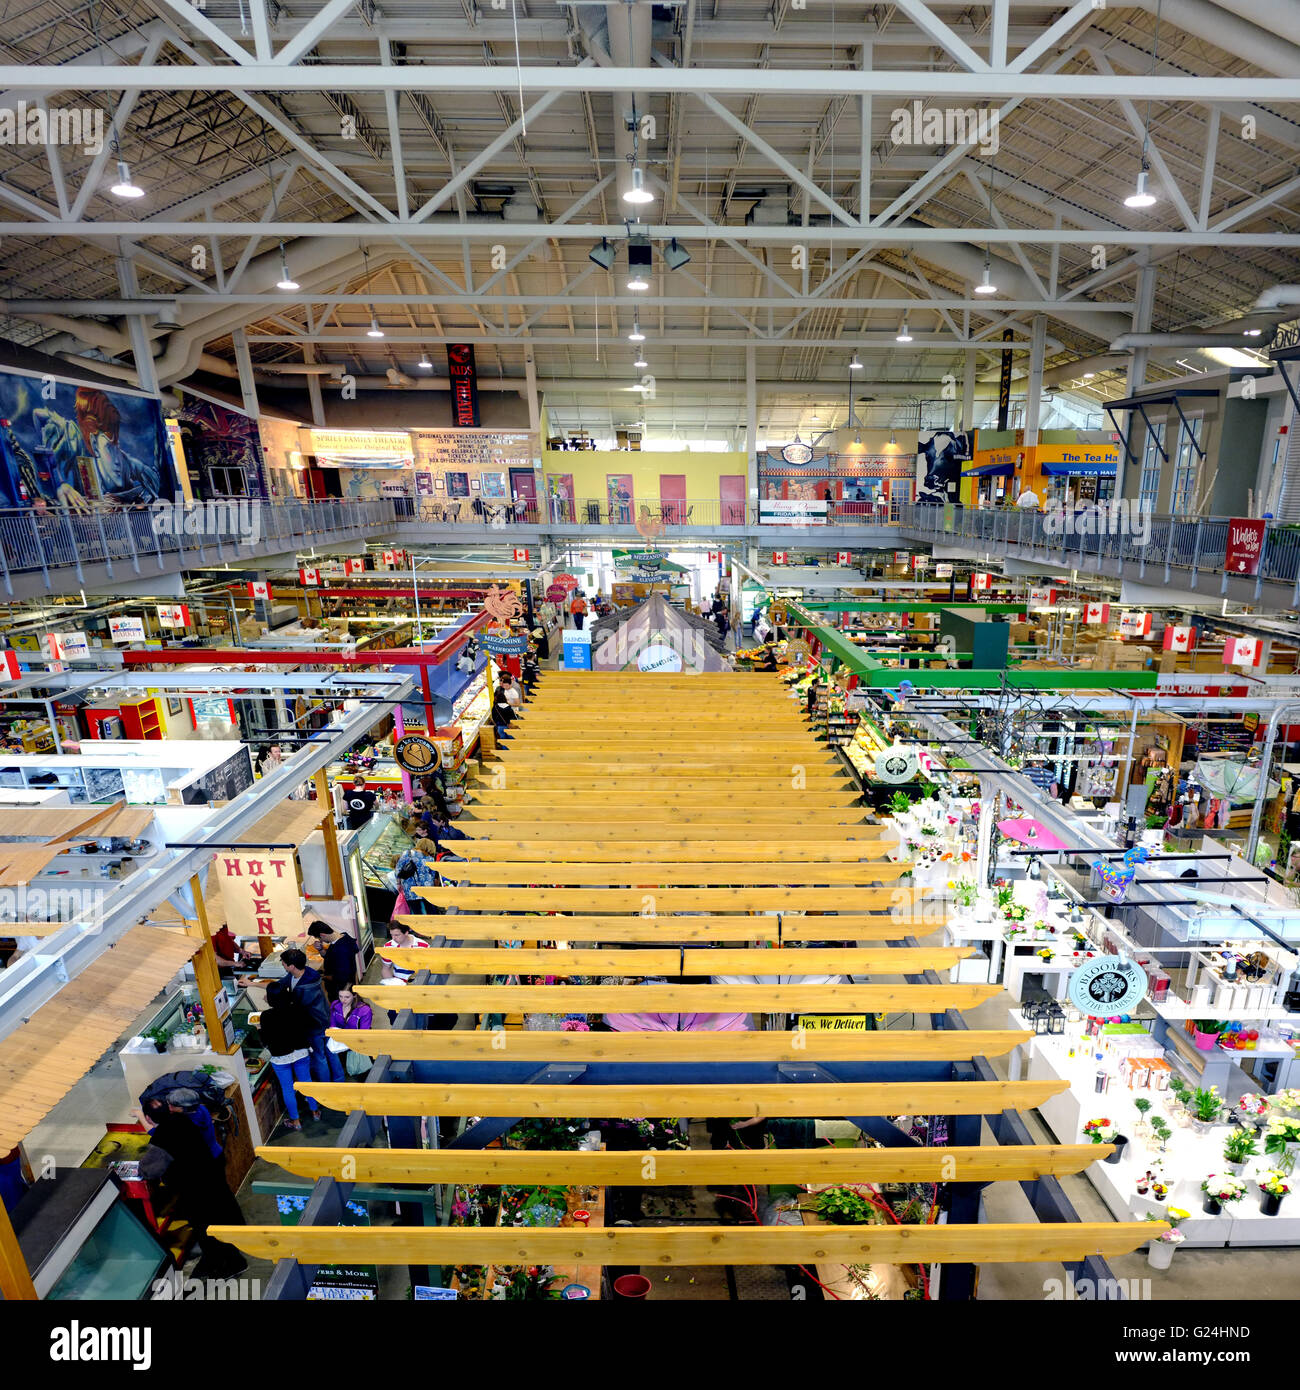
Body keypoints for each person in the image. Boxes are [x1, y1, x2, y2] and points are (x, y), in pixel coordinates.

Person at [137, 1090, 247, 1278]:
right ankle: (222, 1259)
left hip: (196, 1190)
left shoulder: (164, 1135)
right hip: (210, 1177)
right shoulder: (185, 1119)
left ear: (148, 1117)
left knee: (207, 1228)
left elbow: (149, 1170)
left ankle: (230, 1265)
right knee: (219, 1219)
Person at [266, 948, 331, 1091]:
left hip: (314, 1025)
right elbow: (280, 985)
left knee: (320, 1057)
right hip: (322, 1018)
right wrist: (252, 984)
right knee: (327, 1054)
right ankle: (335, 1081)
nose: (282, 964)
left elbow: (295, 1006)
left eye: (283, 963)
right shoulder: (304, 974)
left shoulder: (304, 988)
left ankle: (327, 1088)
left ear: (291, 966)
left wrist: (274, 999)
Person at [257, 998, 319, 1130]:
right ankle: (315, 1112)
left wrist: (259, 1029)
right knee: (306, 1082)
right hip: (300, 1052)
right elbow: (308, 1025)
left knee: (287, 1088)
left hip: (280, 1057)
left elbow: (265, 1039)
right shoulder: (297, 1009)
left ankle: (295, 1121)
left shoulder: (266, 1016)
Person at [326, 985, 373, 1081]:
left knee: (363, 1075)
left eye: (347, 997)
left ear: (355, 995)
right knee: (350, 1071)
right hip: (341, 1047)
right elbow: (332, 1024)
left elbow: (364, 1032)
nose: (343, 1000)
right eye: (340, 996)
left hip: (359, 1047)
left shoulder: (364, 1010)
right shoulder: (335, 1005)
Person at [306, 920, 358, 995]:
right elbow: (331, 956)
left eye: (319, 938)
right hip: (346, 985)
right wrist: (320, 949)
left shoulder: (341, 949)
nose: (320, 941)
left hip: (342, 990)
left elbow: (342, 976)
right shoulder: (343, 937)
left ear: (322, 935)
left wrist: (323, 976)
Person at [394, 837, 442, 911]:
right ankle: (432, 921)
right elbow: (432, 875)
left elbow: (398, 870)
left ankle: (419, 922)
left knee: (416, 911)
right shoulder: (430, 858)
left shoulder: (407, 853)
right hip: (427, 888)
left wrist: (398, 883)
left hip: (410, 887)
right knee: (430, 909)